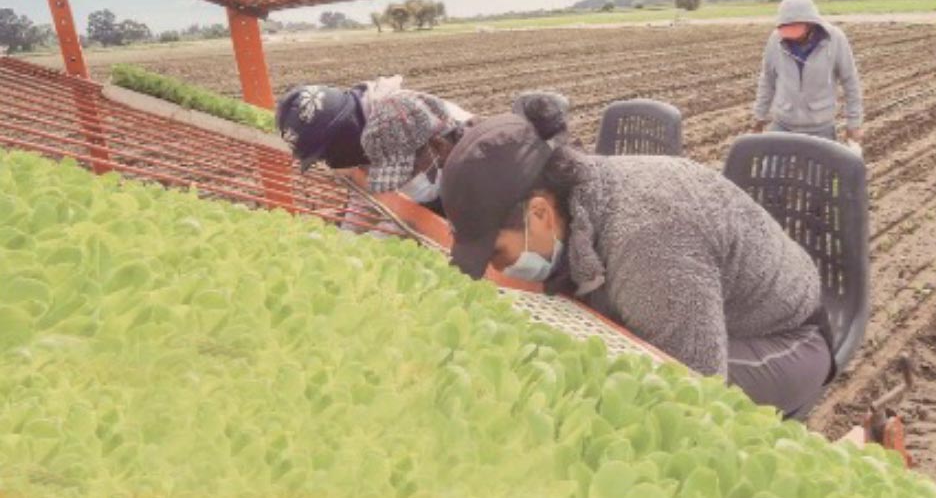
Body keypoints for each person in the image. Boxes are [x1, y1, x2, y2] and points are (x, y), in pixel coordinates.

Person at [439, 99, 835, 419]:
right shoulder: (582, 199)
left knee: (629, 396)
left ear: (540, 213)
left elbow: (694, 396)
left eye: (498, 252)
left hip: (783, 340)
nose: (499, 268)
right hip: (697, 320)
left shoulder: (647, 241)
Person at [275, 77, 470, 221]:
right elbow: (370, 197)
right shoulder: (365, 126)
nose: (329, 162)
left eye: (327, 154)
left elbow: (419, 206)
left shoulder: (398, 123)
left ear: (344, 131)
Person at [752, 0, 864, 145]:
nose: (791, 36)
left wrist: (854, 123)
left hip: (820, 128)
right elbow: (767, 80)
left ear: (812, 23)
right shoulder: (775, 39)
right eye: (786, 29)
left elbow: (850, 82)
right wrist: (759, 116)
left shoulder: (835, 39)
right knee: (771, 168)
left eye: (796, 29)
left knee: (821, 169)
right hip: (783, 125)